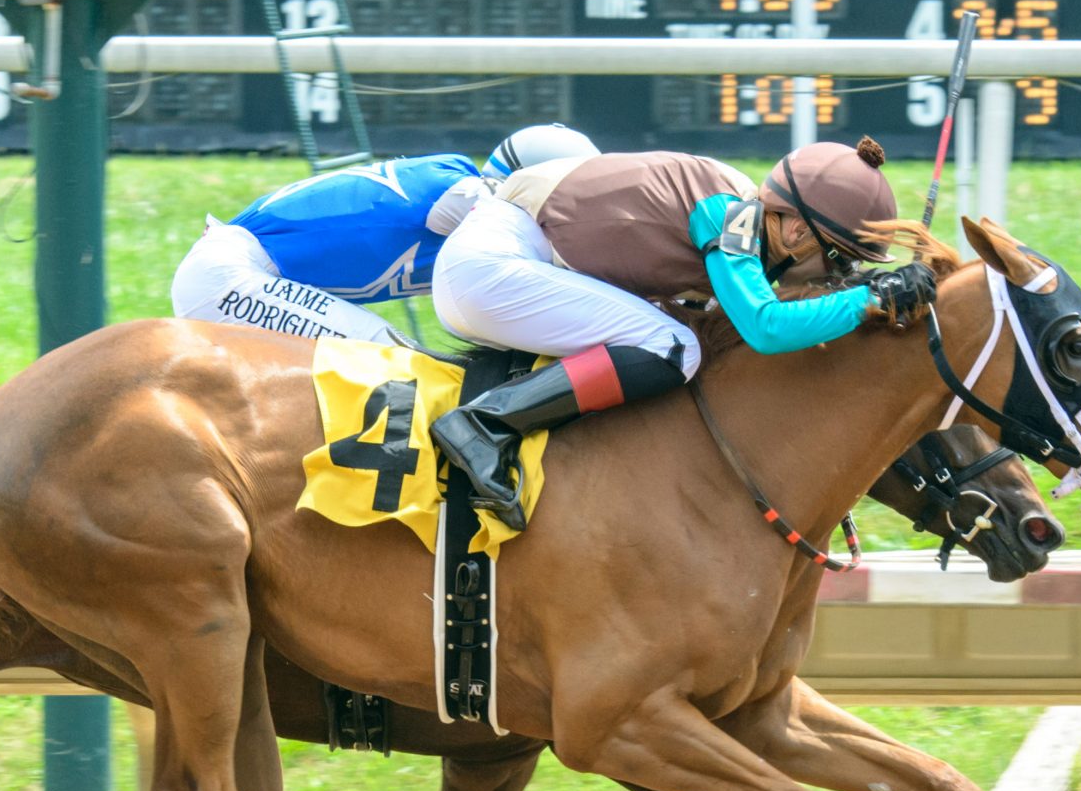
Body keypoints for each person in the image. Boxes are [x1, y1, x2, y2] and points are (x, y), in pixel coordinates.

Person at [428, 137, 940, 530]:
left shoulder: (744, 220)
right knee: (673, 347)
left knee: (674, 344)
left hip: (507, 269)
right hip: (492, 269)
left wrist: (868, 291)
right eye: (841, 259)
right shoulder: (730, 215)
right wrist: (871, 297)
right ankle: (484, 425)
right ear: (798, 232)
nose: (839, 277)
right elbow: (765, 328)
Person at [170, 125, 601, 345]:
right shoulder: (466, 193)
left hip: (233, 272)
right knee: (397, 359)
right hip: (232, 276)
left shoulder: (463, 188)